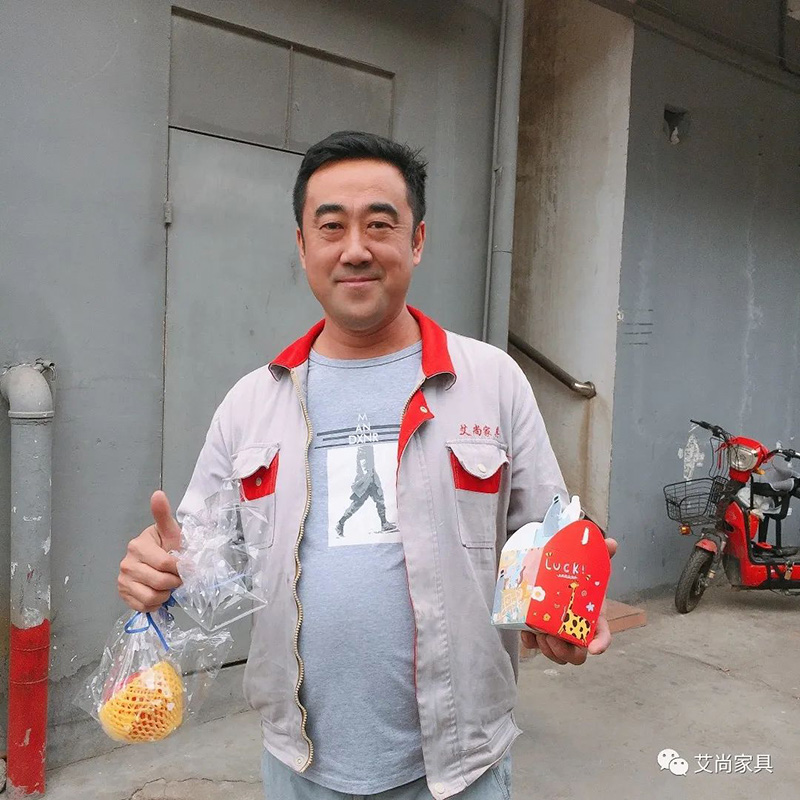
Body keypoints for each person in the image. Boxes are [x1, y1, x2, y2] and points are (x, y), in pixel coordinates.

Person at [117, 131, 617, 800]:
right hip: (300, 769)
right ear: (302, 245)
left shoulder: (492, 383)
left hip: (460, 770)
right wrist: (160, 572)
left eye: (380, 225)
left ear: (417, 240)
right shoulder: (250, 405)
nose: (355, 248)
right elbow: (204, 563)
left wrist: (565, 599)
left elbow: (542, 538)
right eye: (331, 227)